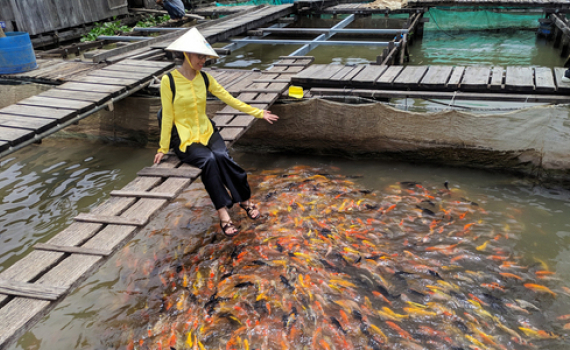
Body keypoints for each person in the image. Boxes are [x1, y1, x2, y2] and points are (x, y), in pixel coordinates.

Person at [154, 28, 279, 238]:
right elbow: (167, 116)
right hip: (184, 137)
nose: (203, 60)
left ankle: (245, 201)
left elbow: (229, 98)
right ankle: (223, 214)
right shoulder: (170, 81)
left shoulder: (204, 78)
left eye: (205, 56)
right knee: (209, 160)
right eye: (199, 56)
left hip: (206, 130)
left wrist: (257, 113)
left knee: (222, 155)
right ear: (186, 54)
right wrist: (163, 147)